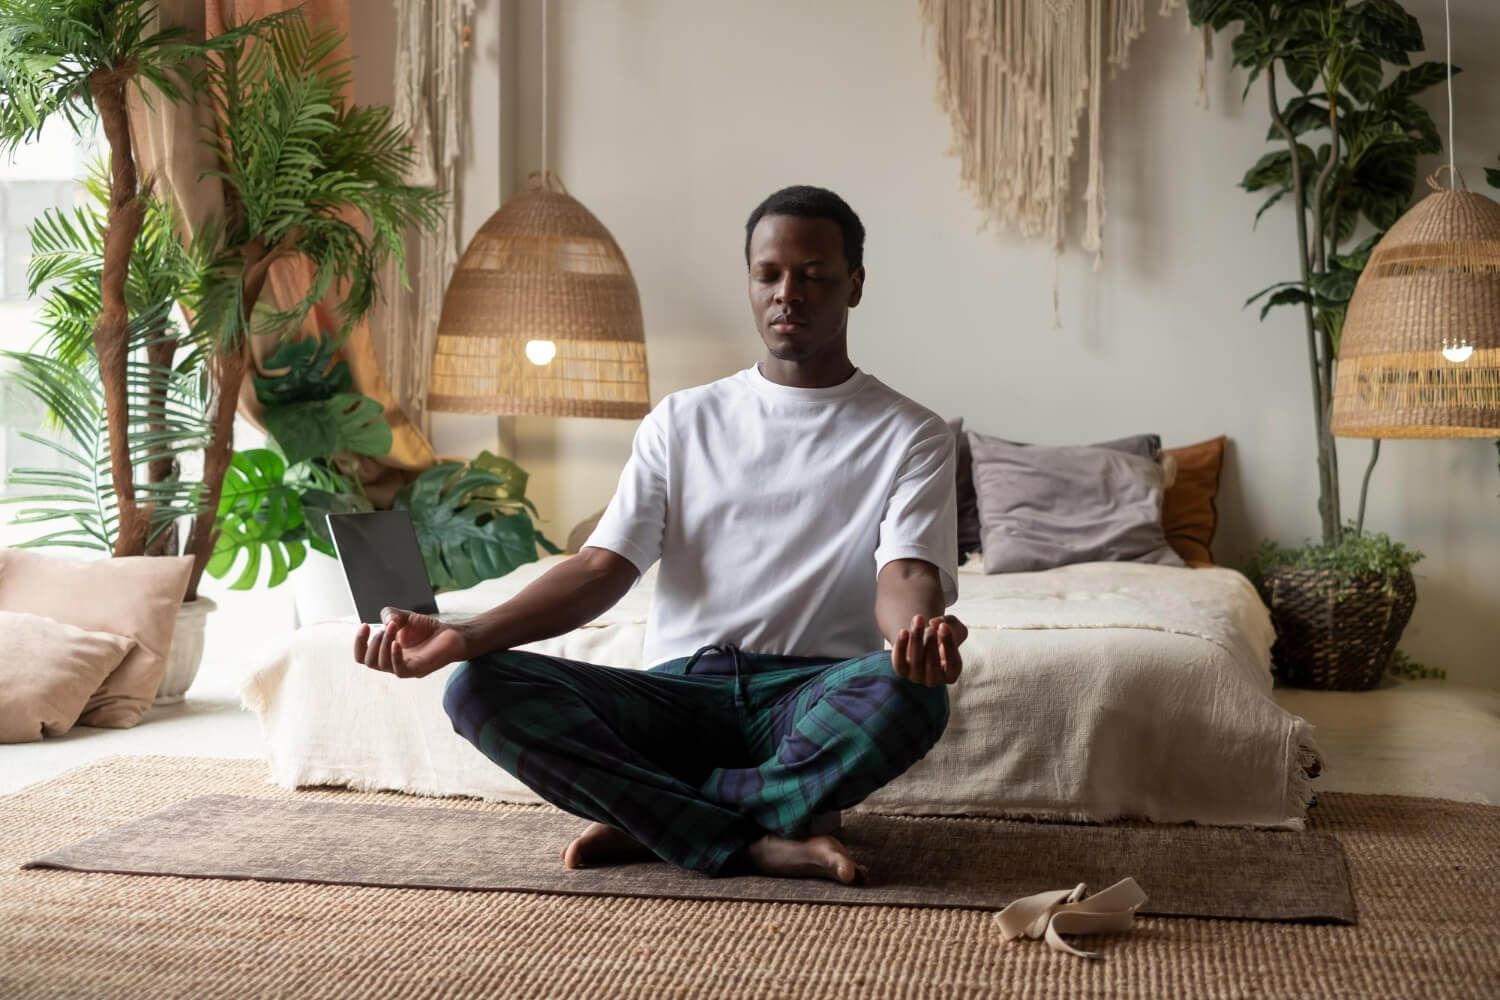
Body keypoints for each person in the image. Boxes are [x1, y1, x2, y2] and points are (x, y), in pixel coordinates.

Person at [354, 184, 967, 885]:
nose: (788, 293)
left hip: (811, 693)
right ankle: (758, 836)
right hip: (680, 695)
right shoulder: (683, 421)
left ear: (854, 285)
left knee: (912, 693)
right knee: (477, 689)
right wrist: (465, 633)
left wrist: (917, 636)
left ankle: (662, 817)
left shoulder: (910, 432)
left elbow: (905, 576)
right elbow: (599, 570)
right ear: (750, 282)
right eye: (769, 275)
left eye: (815, 275)